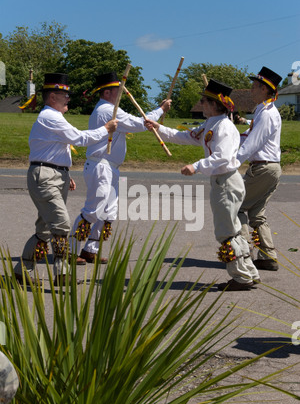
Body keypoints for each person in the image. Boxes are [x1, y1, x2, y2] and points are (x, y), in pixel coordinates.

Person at [145, 79, 260, 291]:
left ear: (216, 104)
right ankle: (248, 273)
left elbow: (223, 157)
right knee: (232, 229)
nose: (201, 104)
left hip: (226, 181)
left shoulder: (224, 126)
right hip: (222, 181)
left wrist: (196, 166)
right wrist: (158, 127)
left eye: (204, 101)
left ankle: (241, 278)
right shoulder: (211, 123)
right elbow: (186, 136)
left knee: (227, 231)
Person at [14, 73, 118, 285]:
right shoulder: (50, 117)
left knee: (44, 229)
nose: (68, 99)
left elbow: (54, 149)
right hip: (45, 176)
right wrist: (105, 129)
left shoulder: (54, 117)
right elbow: (79, 138)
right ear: (53, 97)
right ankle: (62, 274)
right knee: (61, 224)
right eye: (65, 95)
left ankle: (21, 272)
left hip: (52, 174)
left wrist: (64, 173)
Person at [70, 72, 172, 264]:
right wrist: (160, 110)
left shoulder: (111, 108)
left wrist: (157, 113)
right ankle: (70, 249)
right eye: (118, 89)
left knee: (109, 211)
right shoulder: (108, 110)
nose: (122, 92)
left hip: (110, 167)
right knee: (93, 210)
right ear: (107, 92)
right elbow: (138, 123)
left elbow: (138, 123)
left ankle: (90, 249)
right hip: (100, 165)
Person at [237, 67, 282, 271]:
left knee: (235, 206)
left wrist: (231, 163)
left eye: (255, 87)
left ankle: (244, 255)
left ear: (265, 90)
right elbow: (246, 136)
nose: (251, 90)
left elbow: (252, 144)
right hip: (271, 169)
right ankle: (267, 257)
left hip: (262, 168)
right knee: (256, 214)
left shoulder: (266, 114)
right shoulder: (263, 111)